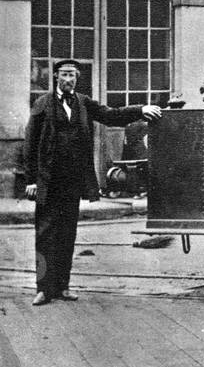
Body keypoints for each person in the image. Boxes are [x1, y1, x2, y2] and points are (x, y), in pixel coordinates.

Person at [23, 59, 162, 306]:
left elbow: (111, 115)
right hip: (48, 180)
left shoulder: (83, 103)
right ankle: (44, 288)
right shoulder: (42, 104)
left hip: (72, 180)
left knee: (67, 234)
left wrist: (140, 110)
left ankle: (63, 286)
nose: (70, 79)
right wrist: (31, 180)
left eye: (74, 75)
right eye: (65, 74)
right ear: (56, 77)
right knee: (45, 234)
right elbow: (30, 144)